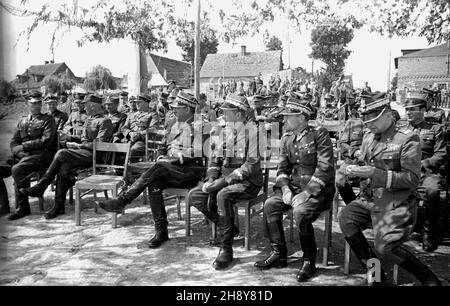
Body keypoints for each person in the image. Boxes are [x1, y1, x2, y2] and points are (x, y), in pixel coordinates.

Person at [337, 96, 441, 286]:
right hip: (369, 199)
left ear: (387, 115)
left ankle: (426, 277)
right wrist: (353, 171)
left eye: (373, 121)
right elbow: (365, 163)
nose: (369, 126)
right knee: (346, 218)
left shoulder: (408, 138)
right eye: (366, 122)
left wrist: (374, 173)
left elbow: (412, 179)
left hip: (396, 203)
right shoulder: (369, 137)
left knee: (385, 247)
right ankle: (375, 273)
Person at [100, 91, 207, 248]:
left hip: (189, 171)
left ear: (187, 109)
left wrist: (172, 159)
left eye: (177, 107)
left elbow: (197, 152)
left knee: (159, 167)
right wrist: (161, 156)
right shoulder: (172, 124)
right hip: (167, 169)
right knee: (153, 183)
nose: (173, 110)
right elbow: (163, 146)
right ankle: (161, 231)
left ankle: (124, 200)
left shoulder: (201, 125)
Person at [254, 96, 335, 282]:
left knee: (300, 212)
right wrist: (285, 189)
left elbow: (325, 168)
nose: (283, 120)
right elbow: (282, 169)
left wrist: (307, 192)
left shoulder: (319, 134)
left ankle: (309, 261)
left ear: (301, 117)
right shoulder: (286, 138)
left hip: (318, 191)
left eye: (288, 116)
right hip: (294, 189)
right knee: (269, 205)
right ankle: (279, 253)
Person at [188, 93, 263, 270]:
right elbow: (215, 160)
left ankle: (226, 248)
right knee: (195, 195)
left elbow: (251, 165)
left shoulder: (254, 133)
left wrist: (223, 182)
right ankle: (229, 228)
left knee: (223, 194)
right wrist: (212, 178)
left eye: (226, 112)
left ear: (238, 114)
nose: (223, 115)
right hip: (224, 180)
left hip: (248, 182)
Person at [22, 94, 114, 219]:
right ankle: (58, 207)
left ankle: (42, 185)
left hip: (95, 157)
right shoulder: (89, 119)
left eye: (85, 105)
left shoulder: (105, 121)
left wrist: (78, 146)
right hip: (84, 154)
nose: (83, 107)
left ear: (92, 106)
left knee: (62, 153)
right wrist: (69, 137)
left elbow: (99, 144)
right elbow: (82, 139)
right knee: (63, 168)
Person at [404, 91, 447, 252]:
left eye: (412, 109)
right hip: (404, 172)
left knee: (433, 191)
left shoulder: (435, 129)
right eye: (407, 109)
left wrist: (422, 165)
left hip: (426, 173)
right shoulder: (400, 129)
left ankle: (428, 233)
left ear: (422, 110)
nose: (408, 112)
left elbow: (441, 154)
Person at [7, 91, 57, 220]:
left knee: (17, 169)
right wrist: (17, 151)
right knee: (2, 167)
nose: (37, 106)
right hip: (23, 155)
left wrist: (23, 146)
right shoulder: (22, 121)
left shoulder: (48, 119)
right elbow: (14, 141)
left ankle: (23, 208)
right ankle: (3, 206)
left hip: (41, 156)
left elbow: (46, 140)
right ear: (27, 103)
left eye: (39, 103)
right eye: (33, 103)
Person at [113, 95, 156, 162]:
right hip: (129, 139)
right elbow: (124, 128)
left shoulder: (153, 114)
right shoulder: (131, 115)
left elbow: (153, 129)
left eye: (139, 102)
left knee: (132, 151)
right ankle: (120, 170)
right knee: (115, 148)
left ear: (146, 103)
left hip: (143, 140)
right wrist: (130, 133)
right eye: (136, 102)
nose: (137, 104)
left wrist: (138, 134)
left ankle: (133, 170)